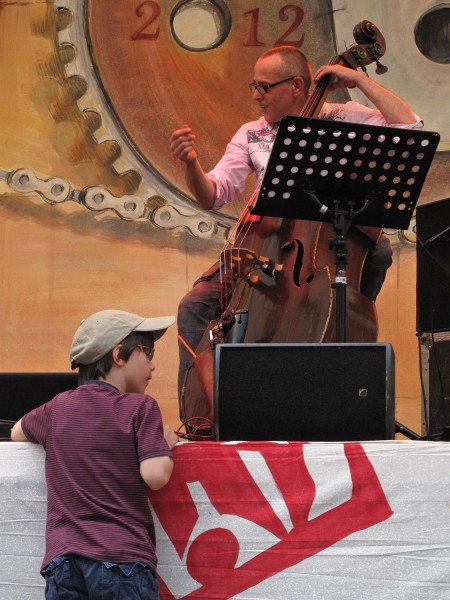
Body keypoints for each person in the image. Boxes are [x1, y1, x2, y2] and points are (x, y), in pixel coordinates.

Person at [170, 45, 423, 406]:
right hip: (263, 244)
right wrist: (192, 165)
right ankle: (201, 413)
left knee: (377, 251)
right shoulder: (251, 134)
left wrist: (356, 78)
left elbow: (409, 125)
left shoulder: (346, 116)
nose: (256, 96)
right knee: (195, 305)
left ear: (298, 85)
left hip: (324, 243)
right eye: (253, 86)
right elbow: (214, 194)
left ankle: (345, 338)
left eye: (265, 87)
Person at [11, 309, 179, 600]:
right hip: (123, 561)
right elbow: (155, 475)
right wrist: (162, 446)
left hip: (64, 563)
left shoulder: (57, 408)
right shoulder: (140, 407)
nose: (152, 366)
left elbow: (16, 431)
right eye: (148, 352)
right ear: (118, 355)